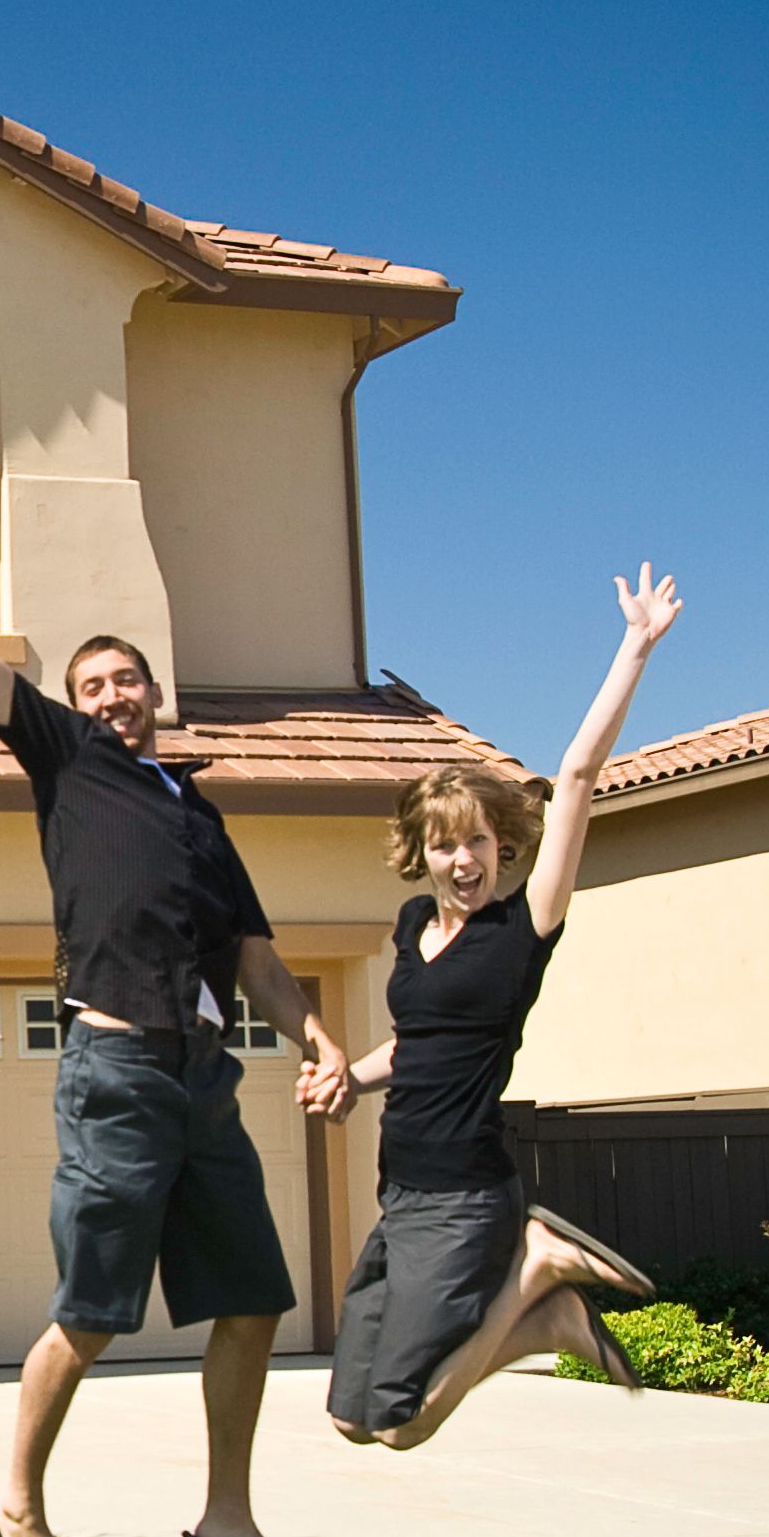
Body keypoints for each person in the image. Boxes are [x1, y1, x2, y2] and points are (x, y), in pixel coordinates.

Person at [0, 465, 346, 1537]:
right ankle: (17, 1500)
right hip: (114, 1070)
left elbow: (256, 958)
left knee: (256, 1296)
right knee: (95, 1308)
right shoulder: (65, 760)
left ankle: (226, 1510)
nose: (111, 696)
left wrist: (315, 1039)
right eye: (92, 684)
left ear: (157, 690)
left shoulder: (201, 815)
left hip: (203, 1077)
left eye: (125, 681)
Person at [301, 565, 681, 1450]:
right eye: (446, 845)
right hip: (401, 1192)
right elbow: (416, 1045)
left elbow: (580, 776)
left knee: (401, 1427)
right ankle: (544, 1324)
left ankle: (539, 1271)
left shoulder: (524, 927)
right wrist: (348, 1081)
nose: (464, 860)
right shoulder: (409, 929)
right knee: (348, 1419)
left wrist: (635, 647)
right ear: (420, 853)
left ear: (503, 845)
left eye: (479, 841)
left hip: (465, 1196)